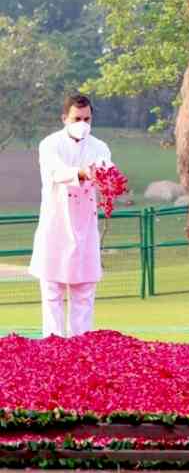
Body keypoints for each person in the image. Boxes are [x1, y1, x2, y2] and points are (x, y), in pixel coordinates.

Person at [28, 92, 112, 337]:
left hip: (85, 224)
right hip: (56, 223)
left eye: (87, 119)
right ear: (64, 118)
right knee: (52, 290)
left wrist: (110, 180)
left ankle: (81, 345)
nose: (82, 125)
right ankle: (53, 346)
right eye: (77, 119)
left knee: (84, 290)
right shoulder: (50, 144)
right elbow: (56, 172)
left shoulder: (100, 147)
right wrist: (84, 173)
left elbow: (106, 172)